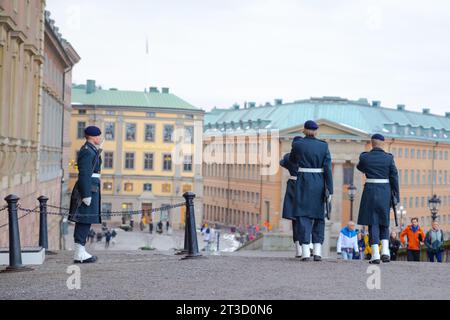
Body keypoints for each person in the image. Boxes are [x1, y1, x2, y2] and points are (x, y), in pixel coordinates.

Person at [289, 121, 333, 261]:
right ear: (316, 131)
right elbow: (327, 169)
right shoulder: (323, 145)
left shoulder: (297, 145)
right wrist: (330, 189)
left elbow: (291, 160)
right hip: (319, 183)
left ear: (304, 130)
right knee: (319, 217)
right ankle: (318, 250)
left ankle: (306, 251)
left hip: (302, 182)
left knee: (303, 216)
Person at [356, 134, 399, 264]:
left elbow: (360, 167)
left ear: (372, 143)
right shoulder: (388, 158)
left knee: (372, 223)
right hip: (385, 191)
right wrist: (396, 196)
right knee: (384, 222)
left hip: (370, 190)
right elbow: (394, 177)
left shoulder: (365, 157)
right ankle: (385, 252)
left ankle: (375, 255)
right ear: (382, 144)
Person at [68, 126, 103, 264]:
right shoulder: (87, 151)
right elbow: (84, 174)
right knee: (84, 219)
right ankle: (79, 253)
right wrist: (86, 194)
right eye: (98, 136)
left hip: (92, 187)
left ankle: (80, 251)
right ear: (93, 137)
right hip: (89, 189)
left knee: (86, 220)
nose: (99, 138)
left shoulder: (91, 150)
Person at [279, 139, 303, 258]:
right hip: (305, 186)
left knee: (295, 220)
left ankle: (298, 248)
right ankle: (308, 247)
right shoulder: (306, 157)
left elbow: (282, 162)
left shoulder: (288, 157)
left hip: (292, 186)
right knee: (307, 218)